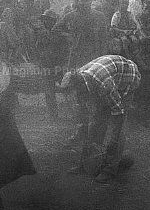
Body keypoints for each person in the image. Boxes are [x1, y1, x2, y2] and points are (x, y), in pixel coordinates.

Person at [58, 55, 141, 183]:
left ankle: (110, 169)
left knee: (117, 128)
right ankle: (86, 164)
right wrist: (82, 131)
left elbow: (118, 112)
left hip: (128, 78)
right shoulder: (80, 78)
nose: (75, 98)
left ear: (79, 87)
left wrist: (113, 141)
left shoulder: (104, 84)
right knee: (96, 122)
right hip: (109, 75)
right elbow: (86, 115)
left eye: (74, 93)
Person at [52, 0, 109, 70]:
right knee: (74, 76)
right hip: (76, 51)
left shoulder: (99, 16)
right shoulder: (70, 16)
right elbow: (55, 30)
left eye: (88, 0)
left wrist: (103, 54)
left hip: (94, 51)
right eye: (83, 0)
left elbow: (104, 36)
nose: (86, 3)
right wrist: (68, 36)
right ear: (77, 2)